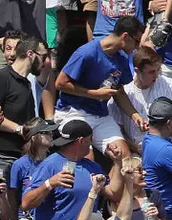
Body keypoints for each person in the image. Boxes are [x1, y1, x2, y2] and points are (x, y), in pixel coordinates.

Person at [53, 16, 144, 158]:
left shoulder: (122, 59)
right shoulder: (86, 52)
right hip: (74, 111)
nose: (137, 47)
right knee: (86, 156)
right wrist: (94, 94)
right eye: (137, 41)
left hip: (100, 115)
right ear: (125, 36)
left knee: (123, 155)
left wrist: (135, 115)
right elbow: (60, 83)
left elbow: (118, 92)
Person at [0, 35, 45, 180]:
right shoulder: (2, 77)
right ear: (30, 54)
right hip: (0, 157)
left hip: (22, 158)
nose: (45, 63)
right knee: (0, 199)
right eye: (43, 57)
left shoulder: (26, 83)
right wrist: (18, 128)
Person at [109, 46, 172, 150]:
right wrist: (135, 148)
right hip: (136, 149)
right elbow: (117, 131)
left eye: (158, 69)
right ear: (137, 70)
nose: (156, 75)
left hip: (168, 146)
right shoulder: (125, 93)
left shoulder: (168, 84)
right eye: (151, 72)